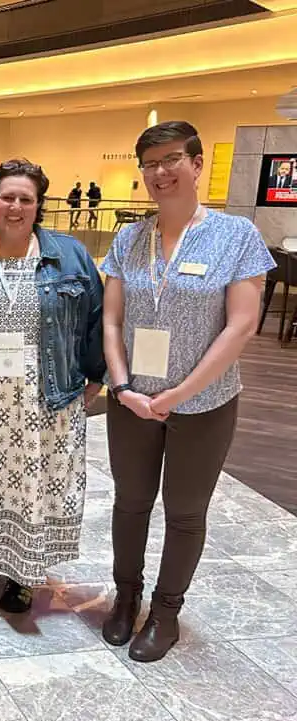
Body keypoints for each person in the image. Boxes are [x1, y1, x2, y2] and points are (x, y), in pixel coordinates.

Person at [100, 121, 274, 662]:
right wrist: (124, 385)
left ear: (197, 164)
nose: (160, 173)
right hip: (131, 402)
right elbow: (111, 321)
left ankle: (167, 610)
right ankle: (125, 597)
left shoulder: (236, 236)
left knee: (185, 509)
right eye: (149, 164)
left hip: (205, 403)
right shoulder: (129, 238)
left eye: (171, 159)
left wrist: (179, 393)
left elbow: (242, 325)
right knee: (130, 502)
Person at [0, 159, 105, 613]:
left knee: (33, 484)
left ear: (39, 206)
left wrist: (95, 375)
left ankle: (24, 575)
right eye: (6, 197)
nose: (15, 207)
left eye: (26, 199)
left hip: (45, 394)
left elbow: (95, 315)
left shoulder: (70, 254)